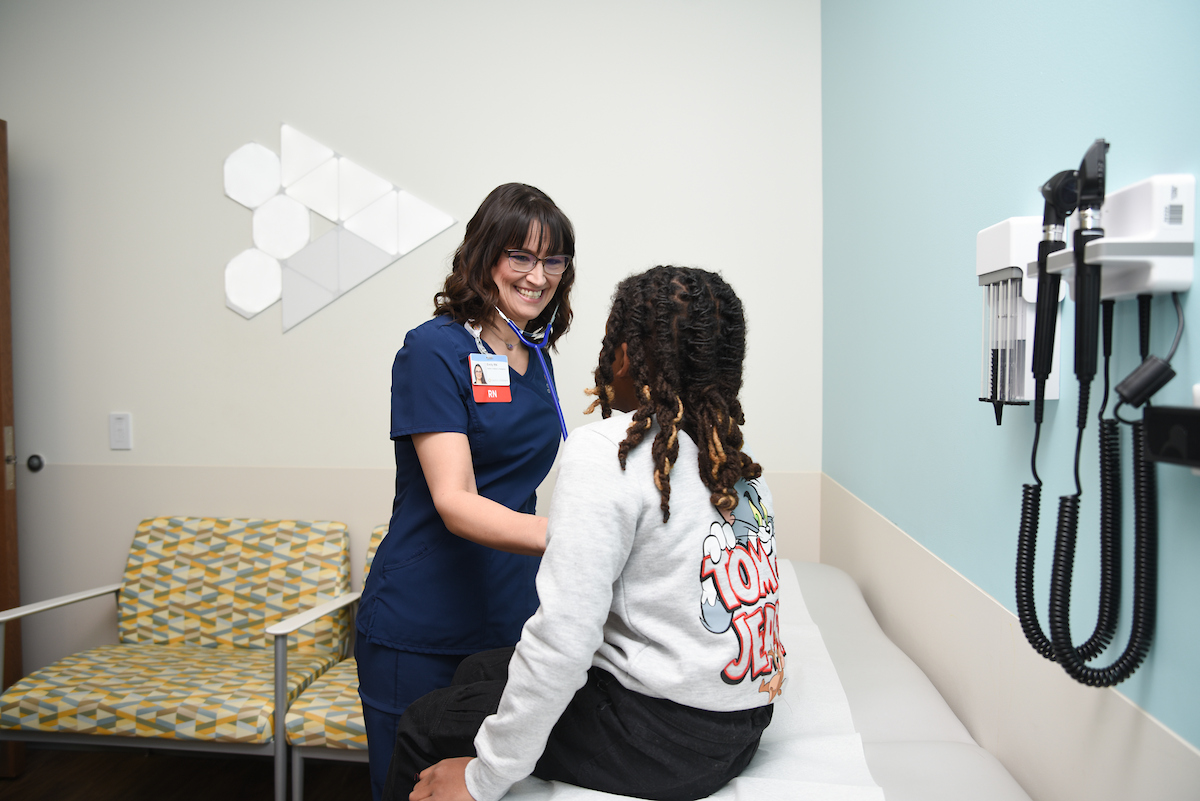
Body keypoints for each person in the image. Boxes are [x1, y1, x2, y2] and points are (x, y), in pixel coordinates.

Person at [384, 266, 783, 801]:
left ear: (626, 353)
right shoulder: (732, 463)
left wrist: (482, 777)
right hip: (740, 726)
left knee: (423, 723)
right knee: (480, 668)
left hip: (664, 737)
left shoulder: (611, 449)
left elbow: (564, 639)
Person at [356, 183, 577, 800]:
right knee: (414, 791)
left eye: (553, 259)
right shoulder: (434, 349)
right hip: (421, 622)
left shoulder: (535, 353)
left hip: (508, 616)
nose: (538, 276)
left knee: (485, 788)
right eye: (522, 256)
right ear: (484, 256)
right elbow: (454, 501)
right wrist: (580, 539)